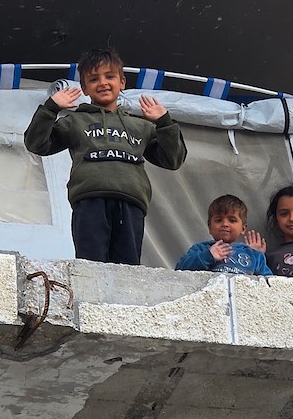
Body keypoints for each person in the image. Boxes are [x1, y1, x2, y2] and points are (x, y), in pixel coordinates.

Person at [24, 47, 186, 264]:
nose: (103, 83)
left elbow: (173, 159)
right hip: (89, 200)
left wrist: (164, 122)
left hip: (131, 203)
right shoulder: (75, 121)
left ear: (122, 82)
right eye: (93, 79)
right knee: (91, 264)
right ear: (84, 88)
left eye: (110, 76)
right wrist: (51, 108)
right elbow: (36, 144)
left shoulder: (141, 126)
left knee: (127, 267)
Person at [175, 194, 272, 275]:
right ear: (209, 227)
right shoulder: (201, 249)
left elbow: (269, 282)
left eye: (232, 220)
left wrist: (257, 253)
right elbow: (180, 270)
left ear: (243, 228)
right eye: (218, 220)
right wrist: (208, 256)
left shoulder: (253, 255)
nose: (225, 224)